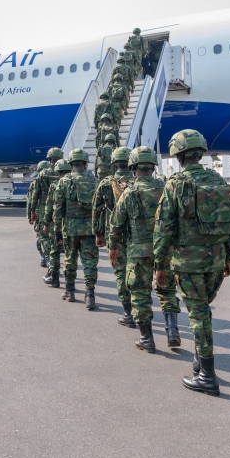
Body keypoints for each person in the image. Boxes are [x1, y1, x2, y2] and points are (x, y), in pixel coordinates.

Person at [153, 129, 230, 396]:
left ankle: (208, 377)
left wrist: (159, 265)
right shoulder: (219, 181)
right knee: (203, 310)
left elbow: (164, 228)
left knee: (198, 314)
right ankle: (201, 362)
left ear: (177, 155)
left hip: (188, 262)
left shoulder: (175, 184)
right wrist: (229, 255)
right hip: (215, 260)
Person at [110, 145, 181, 352]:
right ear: (152, 166)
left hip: (138, 252)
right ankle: (172, 331)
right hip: (166, 250)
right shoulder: (168, 189)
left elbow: (116, 224)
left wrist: (113, 247)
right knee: (167, 290)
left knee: (140, 294)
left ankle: (147, 339)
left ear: (133, 168)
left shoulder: (129, 193)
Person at [93, 147, 135, 325]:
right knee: (138, 272)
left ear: (114, 163)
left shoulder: (105, 183)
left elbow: (96, 209)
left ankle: (128, 314)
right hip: (138, 235)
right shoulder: (139, 181)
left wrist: (98, 233)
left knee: (120, 272)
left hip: (114, 234)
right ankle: (139, 308)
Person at [53, 149, 99, 307]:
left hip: (70, 228)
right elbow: (99, 207)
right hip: (90, 229)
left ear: (71, 163)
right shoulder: (94, 180)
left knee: (70, 259)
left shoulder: (64, 181)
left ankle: (70, 291)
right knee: (90, 262)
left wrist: (57, 230)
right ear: (85, 163)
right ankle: (90, 294)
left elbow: (58, 208)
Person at [29, 148, 62, 283]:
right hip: (60, 211)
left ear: (49, 159)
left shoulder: (43, 174)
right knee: (58, 241)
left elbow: (34, 195)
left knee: (45, 238)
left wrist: (32, 211)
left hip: (43, 211)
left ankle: (50, 264)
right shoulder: (65, 172)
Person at [42, 159, 72, 288]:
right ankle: (73, 287)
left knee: (54, 251)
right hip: (75, 225)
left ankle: (54, 279)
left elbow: (50, 207)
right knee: (71, 255)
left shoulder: (55, 185)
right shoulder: (79, 183)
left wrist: (46, 223)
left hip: (58, 224)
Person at [28, 160, 52, 267]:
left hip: (40, 212)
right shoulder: (59, 179)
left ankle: (44, 257)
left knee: (42, 236)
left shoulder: (35, 183)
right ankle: (49, 257)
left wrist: (30, 214)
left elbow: (31, 200)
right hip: (54, 212)